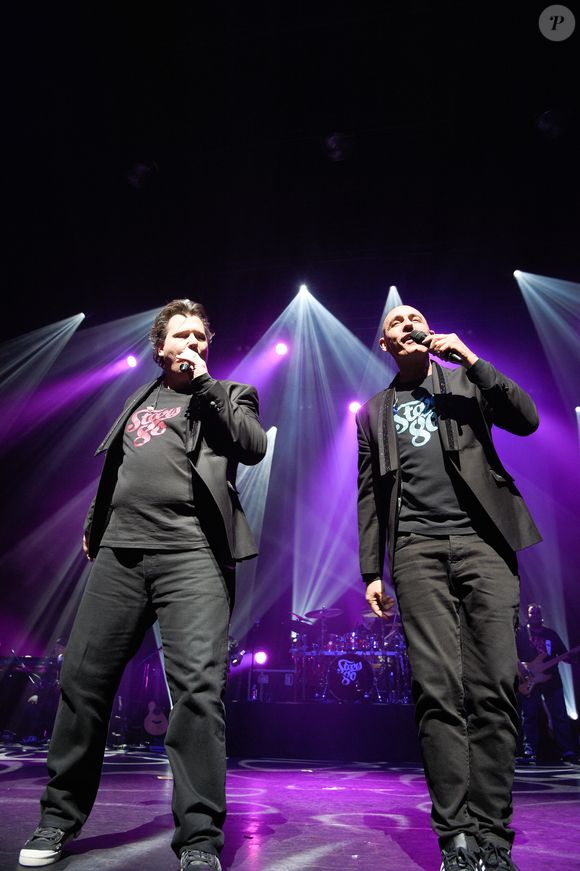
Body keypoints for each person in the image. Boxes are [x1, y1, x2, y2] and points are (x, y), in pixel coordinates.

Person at [19, 299, 268, 870]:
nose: (193, 343)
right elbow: (118, 469)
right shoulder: (137, 398)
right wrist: (94, 524)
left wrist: (205, 385)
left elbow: (250, 447)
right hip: (120, 556)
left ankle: (200, 840)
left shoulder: (229, 394)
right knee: (82, 683)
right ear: (159, 346)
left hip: (193, 556)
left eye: (201, 336)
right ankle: (57, 819)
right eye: (181, 335)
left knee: (198, 695)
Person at [356, 304, 541, 871]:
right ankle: (455, 835)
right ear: (384, 343)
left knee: (495, 690)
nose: (408, 323)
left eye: (416, 316)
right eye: (396, 322)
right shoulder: (374, 412)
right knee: (437, 691)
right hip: (416, 552)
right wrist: (371, 572)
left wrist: (475, 361)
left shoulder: (463, 380)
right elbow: (367, 494)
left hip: (485, 545)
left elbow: (526, 419)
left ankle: (493, 833)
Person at [516, 603, 579, 764]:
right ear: (527, 615)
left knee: (559, 715)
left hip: (552, 680)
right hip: (530, 680)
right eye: (532, 612)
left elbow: (563, 654)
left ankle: (567, 750)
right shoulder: (521, 633)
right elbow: (512, 654)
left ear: (541, 615)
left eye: (537, 612)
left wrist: (571, 657)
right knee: (529, 716)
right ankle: (529, 749)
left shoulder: (551, 634)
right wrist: (522, 667)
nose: (535, 615)